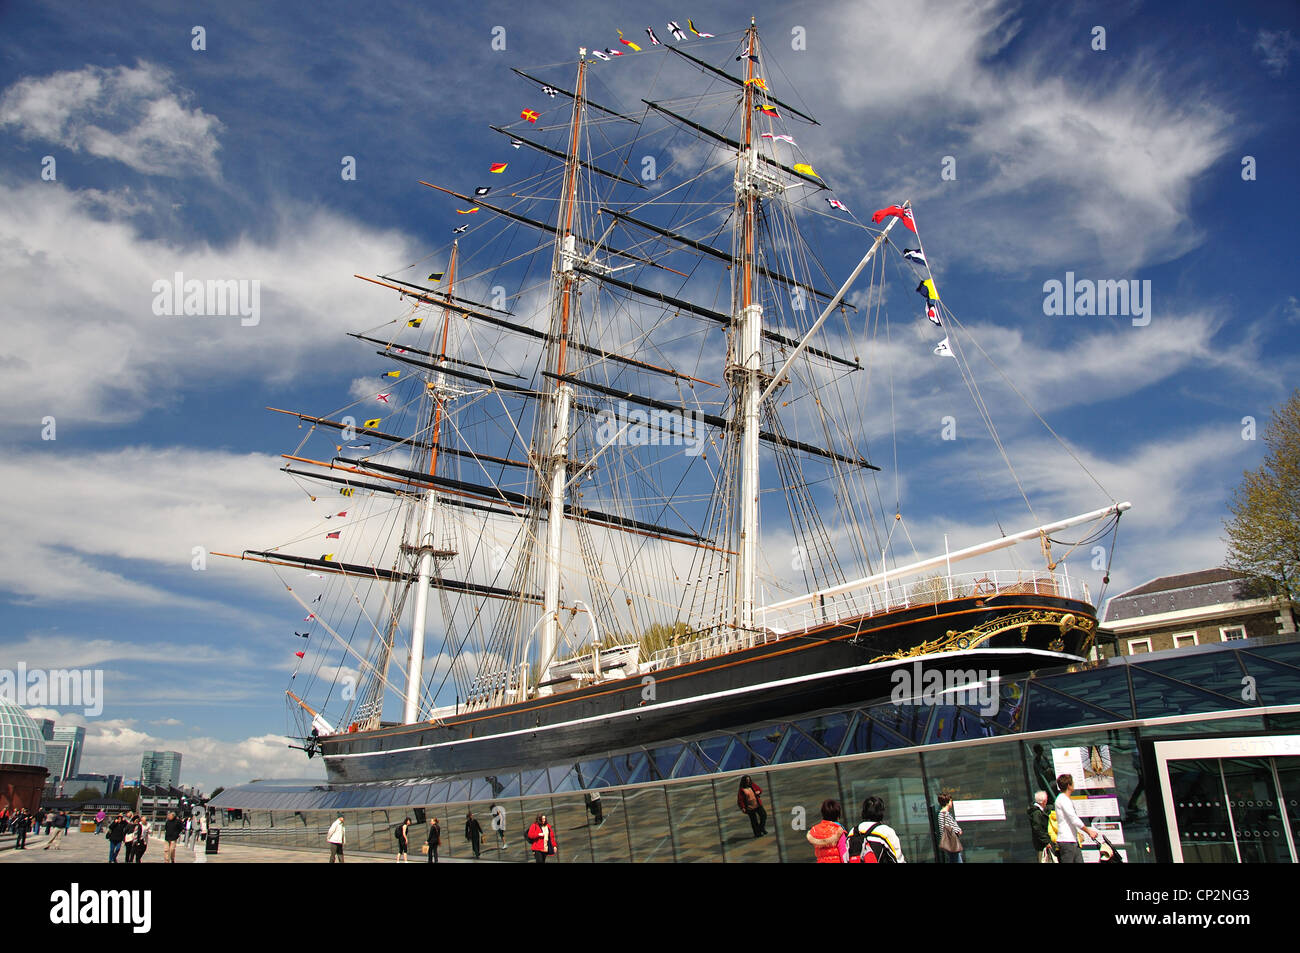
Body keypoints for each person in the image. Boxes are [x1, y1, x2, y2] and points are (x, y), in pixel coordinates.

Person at [1054, 774, 1100, 864]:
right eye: (1073, 783)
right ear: (1069, 785)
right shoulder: (1063, 800)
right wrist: (1089, 831)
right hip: (1067, 842)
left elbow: (1069, 821)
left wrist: (1078, 833)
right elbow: (1073, 819)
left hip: (1072, 840)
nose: (1074, 784)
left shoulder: (1065, 799)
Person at [845, 795, 906, 863]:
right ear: (881, 812)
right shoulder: (885, 831)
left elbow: (845, 857)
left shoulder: (853, 831)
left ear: (863, 811)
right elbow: (898, 859)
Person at [806, 798, 847, 863]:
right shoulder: (839, 831)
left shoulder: (815, 831)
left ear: (823, 814)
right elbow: (844, 855)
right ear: (838, 816)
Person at [1028, 790, 1056, 863]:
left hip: (1044, 844)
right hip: (1042, 846)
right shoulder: (1036, 813)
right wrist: (1046, 842)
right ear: (1044, 801)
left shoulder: (1040, 811)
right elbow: (1038, 829)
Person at [937, 794, 963, 862]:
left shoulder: (942, 814)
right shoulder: (945, 814)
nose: (952, 803)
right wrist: (959, 830)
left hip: (949, 843)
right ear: (948, 802)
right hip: (952, 843)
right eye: (951, 801)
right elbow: (954, 829)